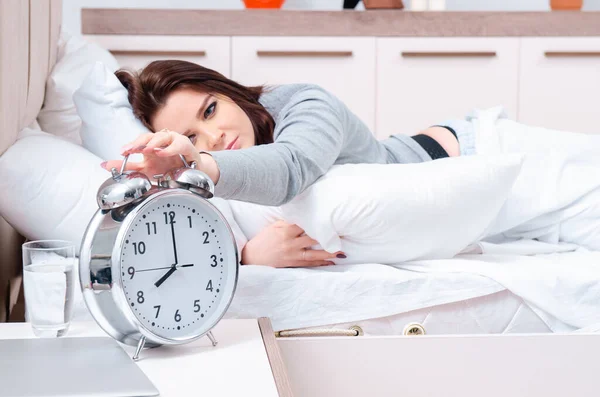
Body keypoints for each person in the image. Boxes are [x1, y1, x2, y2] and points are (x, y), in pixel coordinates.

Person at [102, 60, 469, 268]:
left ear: (228, 89)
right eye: (193, 137)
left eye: (210, 110)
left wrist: (200, 163)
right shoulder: (221, 165)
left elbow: (292, 166)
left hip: (461, 147)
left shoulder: (307, 103)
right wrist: (245, 255)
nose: (213, 137)